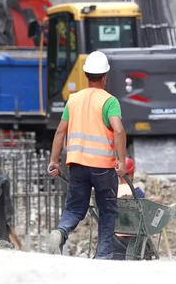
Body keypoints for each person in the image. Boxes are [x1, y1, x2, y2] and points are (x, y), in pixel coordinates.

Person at [47, 51, 127, 259]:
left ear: (85, 74)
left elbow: (60, 131)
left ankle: (61, 231)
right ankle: (103, 256)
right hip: (103, 167)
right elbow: (118, 130)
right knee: (107, 211)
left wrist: (54, 160)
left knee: (74, 208)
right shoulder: (110, 102)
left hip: (77, 165)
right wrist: (121, 161)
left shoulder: (73, 100)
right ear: (105, 76)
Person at [112, 157, 162, 260]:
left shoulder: (112, 191)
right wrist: (156, 203)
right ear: (132, 173)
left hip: (115, 234)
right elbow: (143, 211)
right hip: (134, 235)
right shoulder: (136, 191)